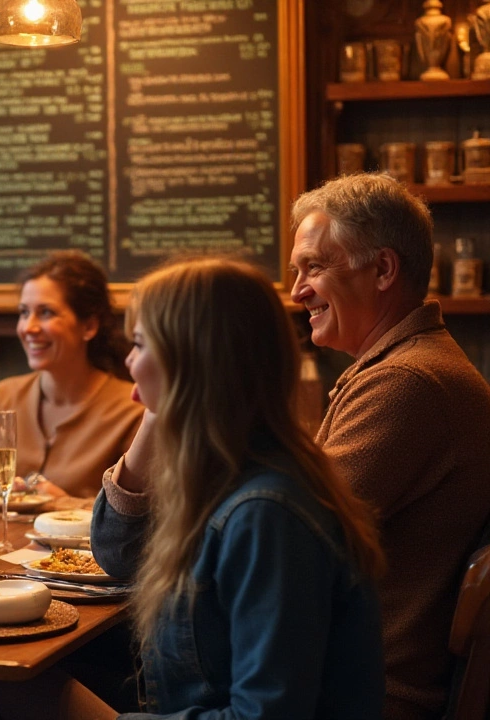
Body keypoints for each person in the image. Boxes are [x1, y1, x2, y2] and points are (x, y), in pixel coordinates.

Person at [87, 258, 386, 717]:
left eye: (141, 344)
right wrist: (158, 406)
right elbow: (118, 552)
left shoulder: (266, 512)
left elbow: (265, 714)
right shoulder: (222, 476)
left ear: (192, 362)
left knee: (3, 692)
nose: (128, 361)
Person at [289, 173, 490, 719]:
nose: (296, 291)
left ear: (382, 269)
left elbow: (287, 535)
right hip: (335, 680)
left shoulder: (409, 382)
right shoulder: (405, 367)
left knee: (42, 683)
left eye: (314, 267)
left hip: (359, 697)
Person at [0, 251, 142, 499]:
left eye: (46, 312)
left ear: (89, 326)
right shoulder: (2, 398)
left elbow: (138, 522)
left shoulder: (131, 410)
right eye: (24, 312)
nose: (29, 327)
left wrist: (66, 506)